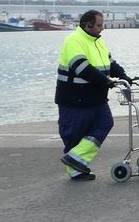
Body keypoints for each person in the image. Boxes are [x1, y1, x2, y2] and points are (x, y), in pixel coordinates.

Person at [54, 10, 130, 181]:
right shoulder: (74, 40)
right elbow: (81, 68)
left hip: (95, 98)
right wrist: (106, 81)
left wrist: (123, 75)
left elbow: (109, 62)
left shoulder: (97, 42)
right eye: (99, 25)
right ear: (87, 25)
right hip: (75, 98)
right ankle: (76, 170)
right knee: (74, 134)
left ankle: (75, 159)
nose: (101, 29)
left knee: (105, 123)